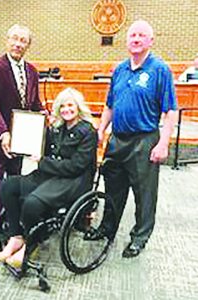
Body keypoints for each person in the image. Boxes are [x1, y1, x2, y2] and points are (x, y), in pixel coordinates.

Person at [94, 20, 177, 258]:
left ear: (150, 41)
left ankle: (139, 238)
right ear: (127, 40)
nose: (136, 39)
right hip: (118, 139)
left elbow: (170, 110)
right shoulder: (119, 70)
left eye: (142, 35)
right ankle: (107, 229)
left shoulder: (160, 69)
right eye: (132, 35)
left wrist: (163, 143)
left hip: (144, 141)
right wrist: (101, 129)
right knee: (113, 190)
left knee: (144, 194)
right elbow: (110, 105)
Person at [0, 87, 97, 267]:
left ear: (78, 107)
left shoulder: (88, 132)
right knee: (8, 185)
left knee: (32, 202)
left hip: (73, 181)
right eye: (62, 106)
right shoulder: (56, 129)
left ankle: (31, 243)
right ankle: (16, 235)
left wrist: (42, 162)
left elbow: (76, 166)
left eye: (70, 105)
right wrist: (23, 143)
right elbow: (39, 146)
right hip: (49, 175)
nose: (66, 109)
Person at [0, 24, 43, 234]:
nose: (18, 44)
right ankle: (1, 224)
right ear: (7, 40)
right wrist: (3, 134)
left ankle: (13, 219)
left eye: (23, 40)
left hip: (21, 138)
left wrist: (43, 116)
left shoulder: (32, 71)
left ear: (28, 45)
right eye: (14, 38)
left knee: (14, 181)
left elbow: (34, 103)